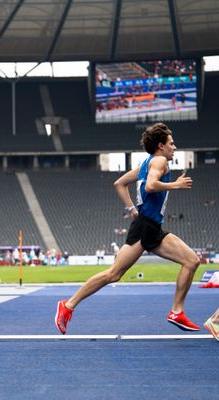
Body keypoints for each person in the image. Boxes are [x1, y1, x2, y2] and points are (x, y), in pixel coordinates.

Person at [55, 123, 200, 334]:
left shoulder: (146, 163)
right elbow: (150, 186)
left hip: (152, 227)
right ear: (160, 145)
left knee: (192, 260)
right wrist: (175, 185)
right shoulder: (159, 161)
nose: (174, 147)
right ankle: (67, 306)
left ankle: (177, 311)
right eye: (171, 143)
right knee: (114, 274)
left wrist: (132, 208)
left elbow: (119, 183)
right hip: (144, 228)